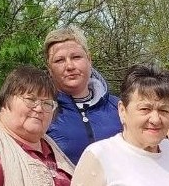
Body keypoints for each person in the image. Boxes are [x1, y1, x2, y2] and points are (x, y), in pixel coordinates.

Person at [44, 27, 122, 164]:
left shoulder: (120, 108)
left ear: (89, 59)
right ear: (49, 69)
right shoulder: (41, 111)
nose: (69, 66)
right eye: (59, 60)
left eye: (76, 57)